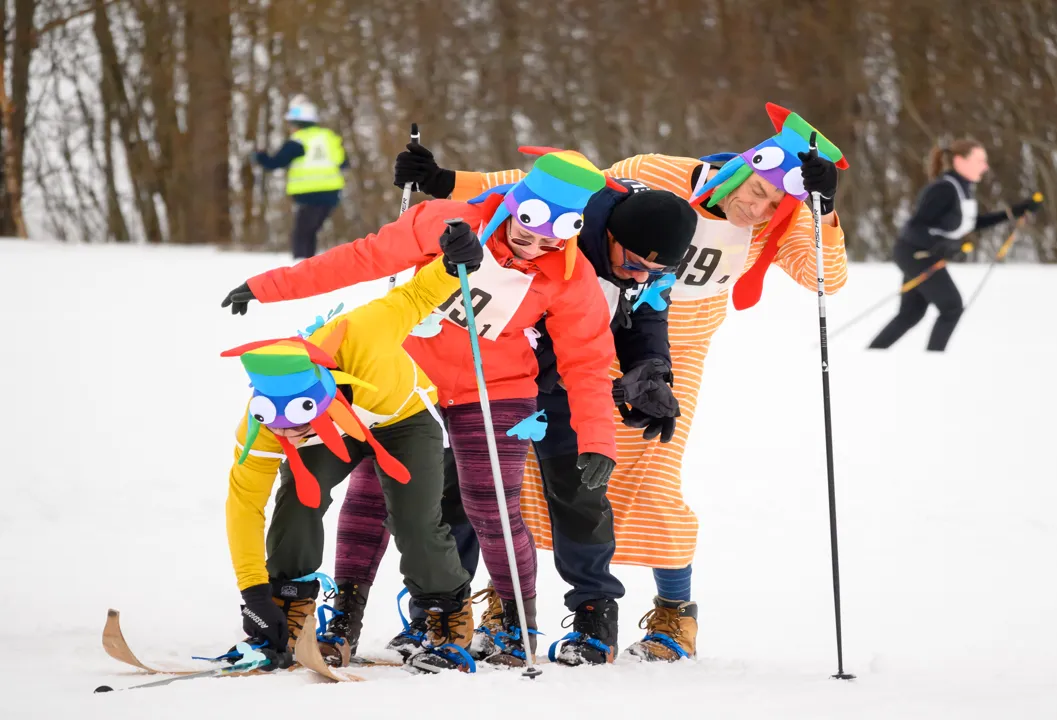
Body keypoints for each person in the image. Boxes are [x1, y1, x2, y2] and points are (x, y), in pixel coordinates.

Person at [410, 102, 850, 662]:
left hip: (669, 356)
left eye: (773, 204)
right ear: (743, 167)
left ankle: (675, 613)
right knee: (524, 477)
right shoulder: (658, 174)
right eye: (758, 193)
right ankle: (505, 601)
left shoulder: (786, 221)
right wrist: (447, 181)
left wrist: (823, 211)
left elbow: (825, 278)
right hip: (573, 339)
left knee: (649, 482)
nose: (759, 211)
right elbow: (560, 184)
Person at [220, 146, 620, 668]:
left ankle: (512, 624)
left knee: (491, 505)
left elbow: (587, 361)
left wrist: (596, 440)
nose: (536, 241)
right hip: (410, 379)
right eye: (530, 221)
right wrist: (268, 287)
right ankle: (344, 614)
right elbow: (361, 258)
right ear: (516, 202)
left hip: (495, 385)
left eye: (557, 232)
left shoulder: (570, 275)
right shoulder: (446, 222)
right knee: (372, 493)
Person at [334, 147, 700, 665]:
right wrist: (443, 180)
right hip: (495, 375)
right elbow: (509, 184)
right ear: (607, 235)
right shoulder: (561, 222)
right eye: (633, 264)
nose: (640, 276)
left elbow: (645, 315)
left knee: (579, 496)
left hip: (566, 383)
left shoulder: (649, 257)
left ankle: (595, 615)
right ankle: (441, 613)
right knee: (457, 491)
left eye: (655, 271)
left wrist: (651, 372)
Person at [219, 230, 484, 674]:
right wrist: (255, 592)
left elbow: (419, 293)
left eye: (300, 424)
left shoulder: (366, 331)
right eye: (285, 429)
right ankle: (288, 607)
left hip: (400, 417)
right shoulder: (261, 423)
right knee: (299, 496)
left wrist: (456, 262)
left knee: (414, 517)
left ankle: (445, 609)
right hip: (335, 432)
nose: (292, 434)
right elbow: (244, 503)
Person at [868, 138, 1042, 352]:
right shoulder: (943, 189)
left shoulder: (962, 189)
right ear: (960, 161)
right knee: (951, 307)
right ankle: (934, 362)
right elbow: (917, 225)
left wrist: (1014, 212)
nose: (985, 167)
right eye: (980, 161)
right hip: (916, 254)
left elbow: (971, 223)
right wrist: (939, 246)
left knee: (911, 313)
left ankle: (872, 355)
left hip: (923, 254)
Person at [252, 95, 348, 259]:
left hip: (309, 194)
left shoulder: (298, 141)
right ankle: (308, 265)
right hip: (331, 193)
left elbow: (276, 163)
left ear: (297, 123)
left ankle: (299, 269)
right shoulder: (329, 137)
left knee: (301, 234)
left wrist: (259, 157)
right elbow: (344, 163)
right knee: (310, 232)